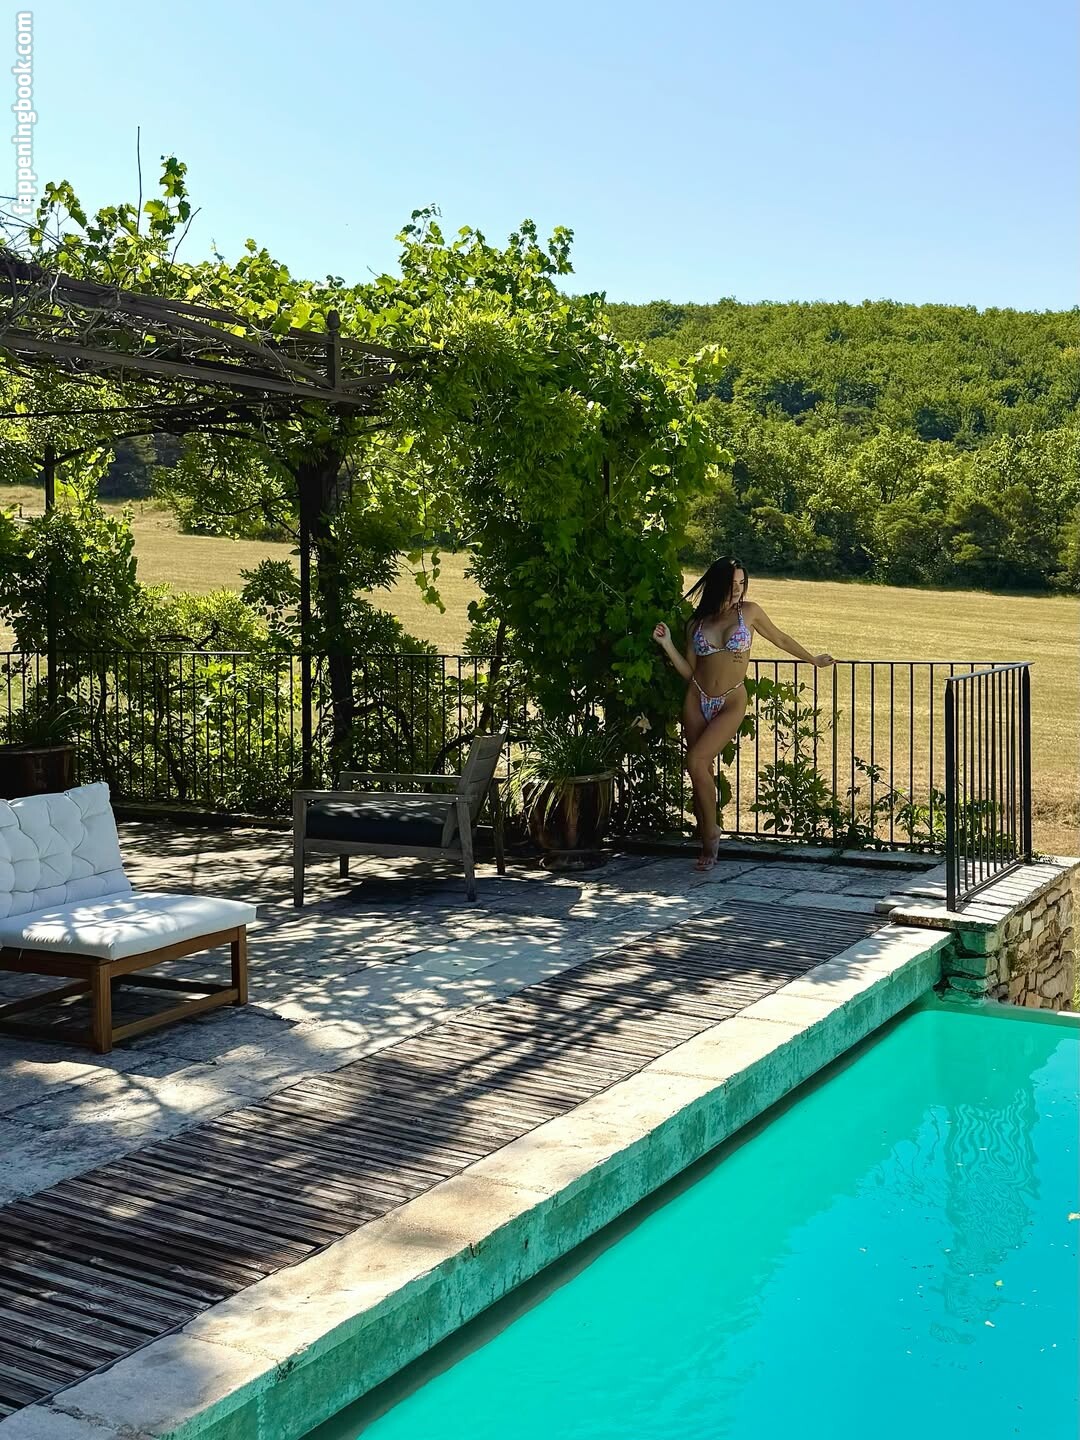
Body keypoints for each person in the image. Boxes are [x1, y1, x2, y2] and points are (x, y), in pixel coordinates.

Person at [652, 558, 834, 870]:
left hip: (731, 701)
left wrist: (813, 660)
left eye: (742, 583)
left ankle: (710, 835)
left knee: (695, 761)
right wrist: (667, 644)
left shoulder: (749, 612)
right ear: (717, 584)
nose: (738, 590)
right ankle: (706, 828)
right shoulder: (696, 624)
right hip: (696, 699)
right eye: (732, 583)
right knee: (700, 771)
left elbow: (780, 638)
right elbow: (690, 672)